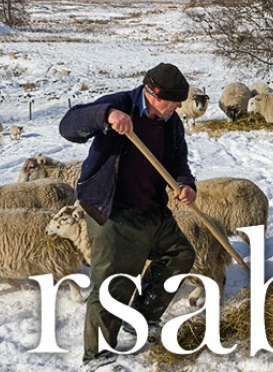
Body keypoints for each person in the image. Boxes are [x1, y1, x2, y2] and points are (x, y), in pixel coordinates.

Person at [60, 63, 197, 372]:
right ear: (157, 95)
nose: (178, 108)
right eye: (175, 101)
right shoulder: (120, 105)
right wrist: (105, 115)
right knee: (112, 284)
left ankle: (143, 315)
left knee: (180, 254)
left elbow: (178, 162)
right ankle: (96, 357)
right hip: (112, 212)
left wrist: (186, 184)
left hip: (151, 209)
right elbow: (68, 125)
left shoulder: (171, 123)